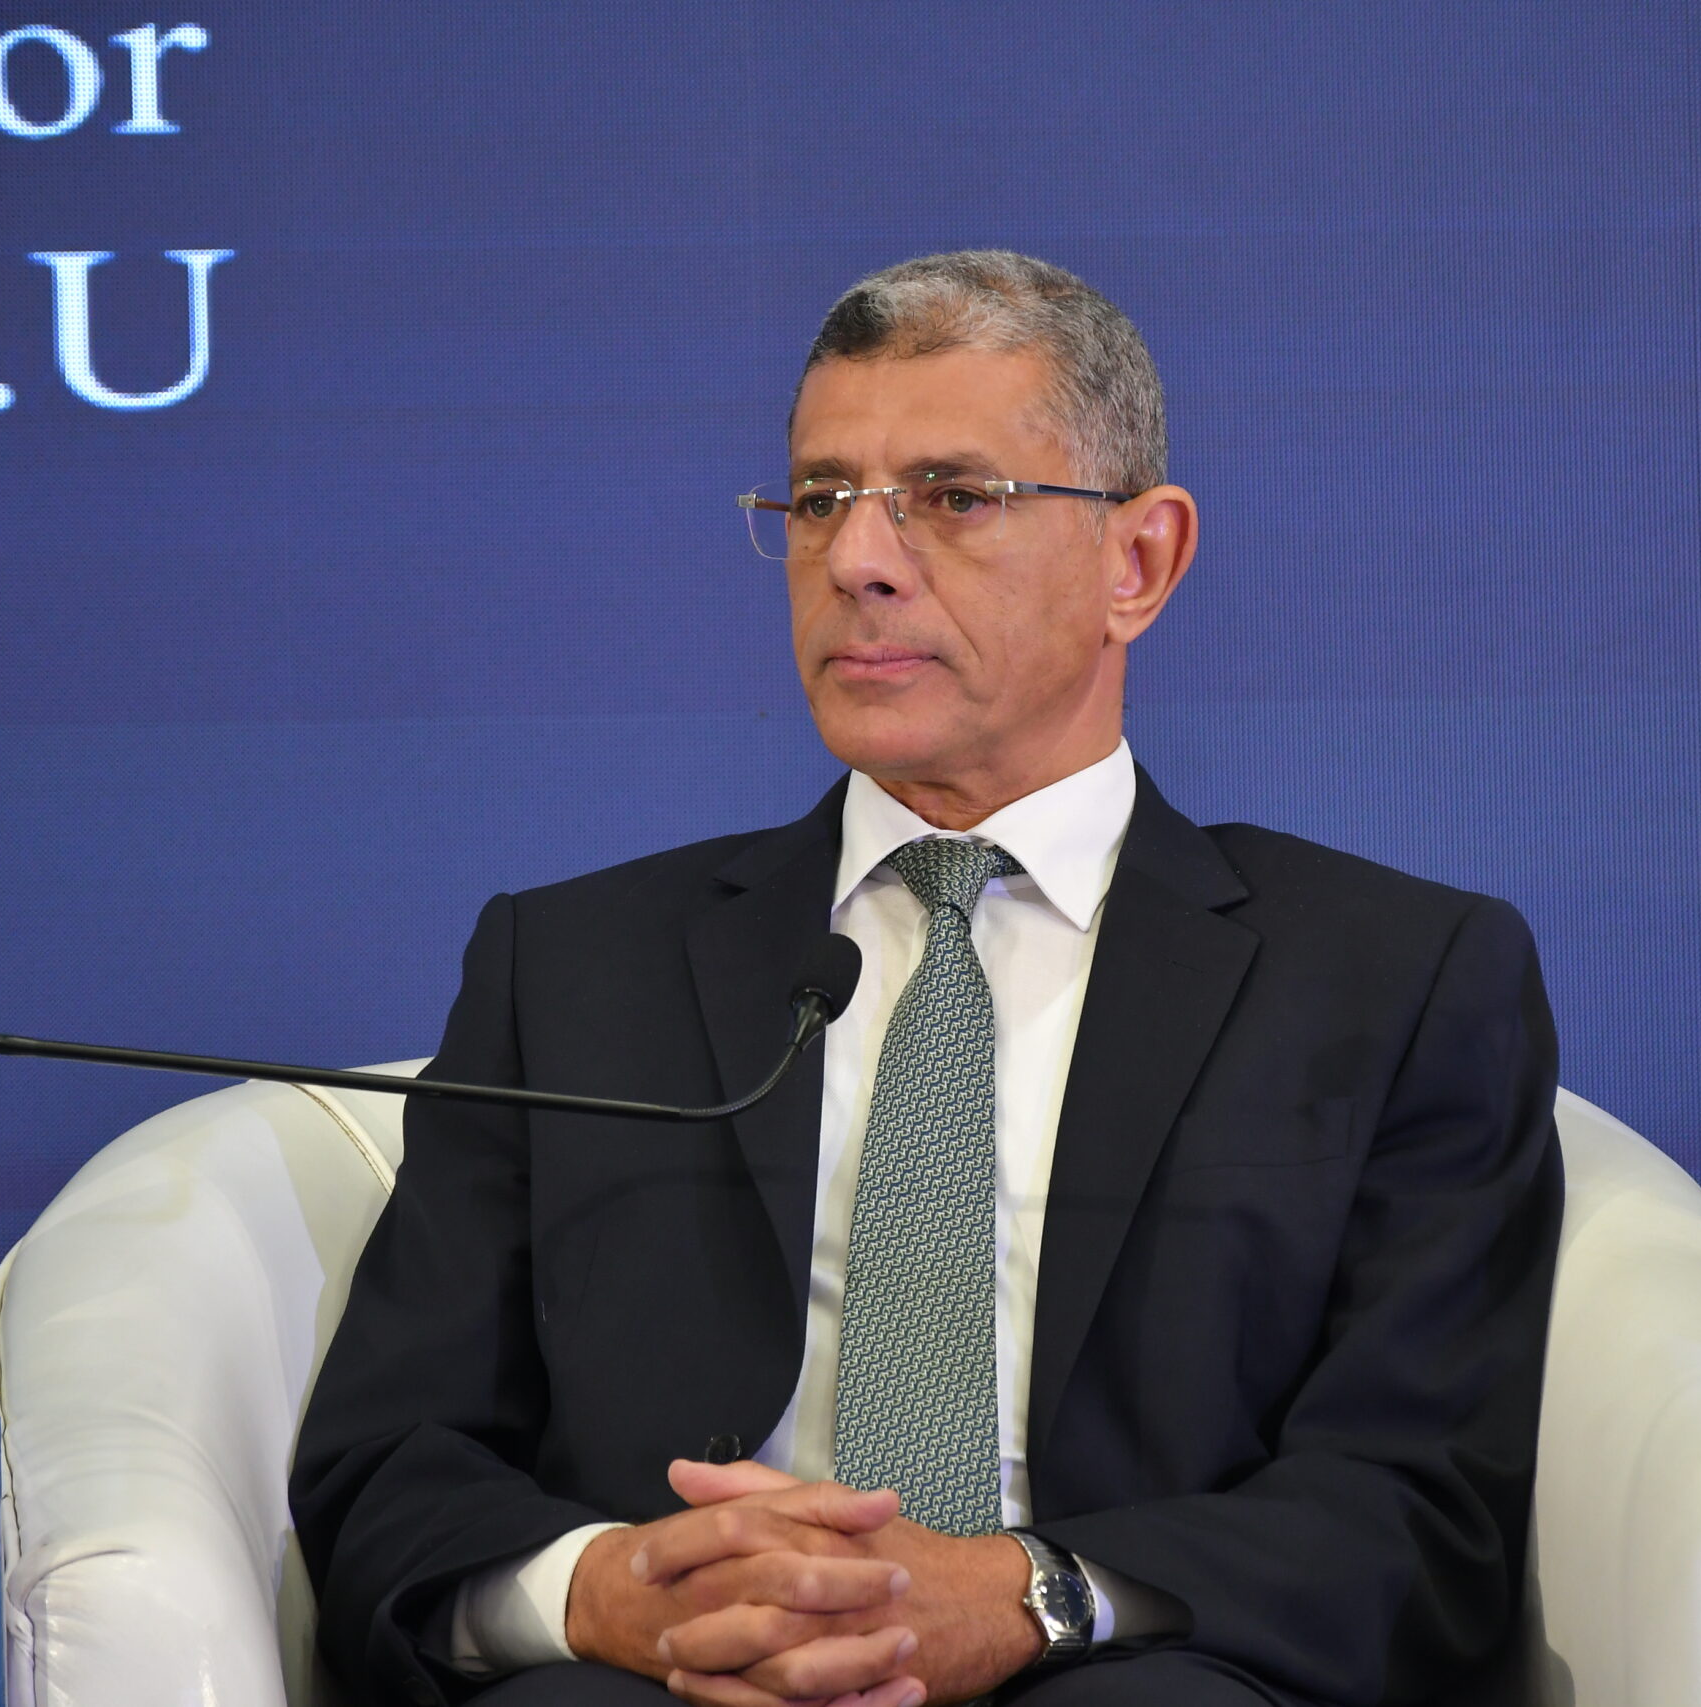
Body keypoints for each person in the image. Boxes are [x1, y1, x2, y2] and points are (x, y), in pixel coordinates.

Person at [290, 251, 1562, 1707]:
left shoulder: (1391, 978)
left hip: (1127, 1663)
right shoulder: (572, 965)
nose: (858, 560)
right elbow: (391, 1465)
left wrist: (1029, 1594)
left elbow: (1422, 1507)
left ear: (1138, 563)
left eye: (952, 498)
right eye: (819, 499)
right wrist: (604, 1592)